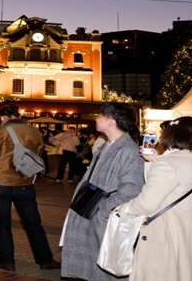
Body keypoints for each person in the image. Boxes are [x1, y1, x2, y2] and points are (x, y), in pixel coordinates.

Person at [119, 117, 192, 281]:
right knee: (189, 273)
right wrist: (154, 161)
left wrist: (122, 210)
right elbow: (178, 187)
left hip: (165, 231)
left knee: (162, 272)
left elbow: (146, 204)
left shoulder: (167, 163)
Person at [60, 103, 145, 281]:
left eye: (100, 115)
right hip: (88, 210)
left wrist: (104, 210)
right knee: (91, 269)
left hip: (102, 217)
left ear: (111, 121)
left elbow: (132, 188)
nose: (96, 119)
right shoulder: (107, 145)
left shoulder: (128, 150)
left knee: (105, 269)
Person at [0, 105, 61, 272]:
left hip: (0, 182)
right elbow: (38, 152)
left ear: (3, 117)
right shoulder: (34, 131)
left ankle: (7, 261)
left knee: (2, 223)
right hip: (25, 182)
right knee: (33, 223)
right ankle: (45, 259)